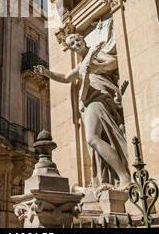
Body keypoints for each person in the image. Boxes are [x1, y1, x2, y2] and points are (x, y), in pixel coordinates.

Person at [34, 33, 131, 189]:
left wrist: (97, 68)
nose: (76, 43)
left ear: (83, 39)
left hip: (99, 97)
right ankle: (114, 176)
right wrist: (47, 73)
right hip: (88, 101)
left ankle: (124, 176)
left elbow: (113, 62)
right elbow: (66, 77)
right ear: (70, 48)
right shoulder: (80, 66)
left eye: (77, 39)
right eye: (71, 42)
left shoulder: (95, 53)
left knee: (92, 138)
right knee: (95, 139)